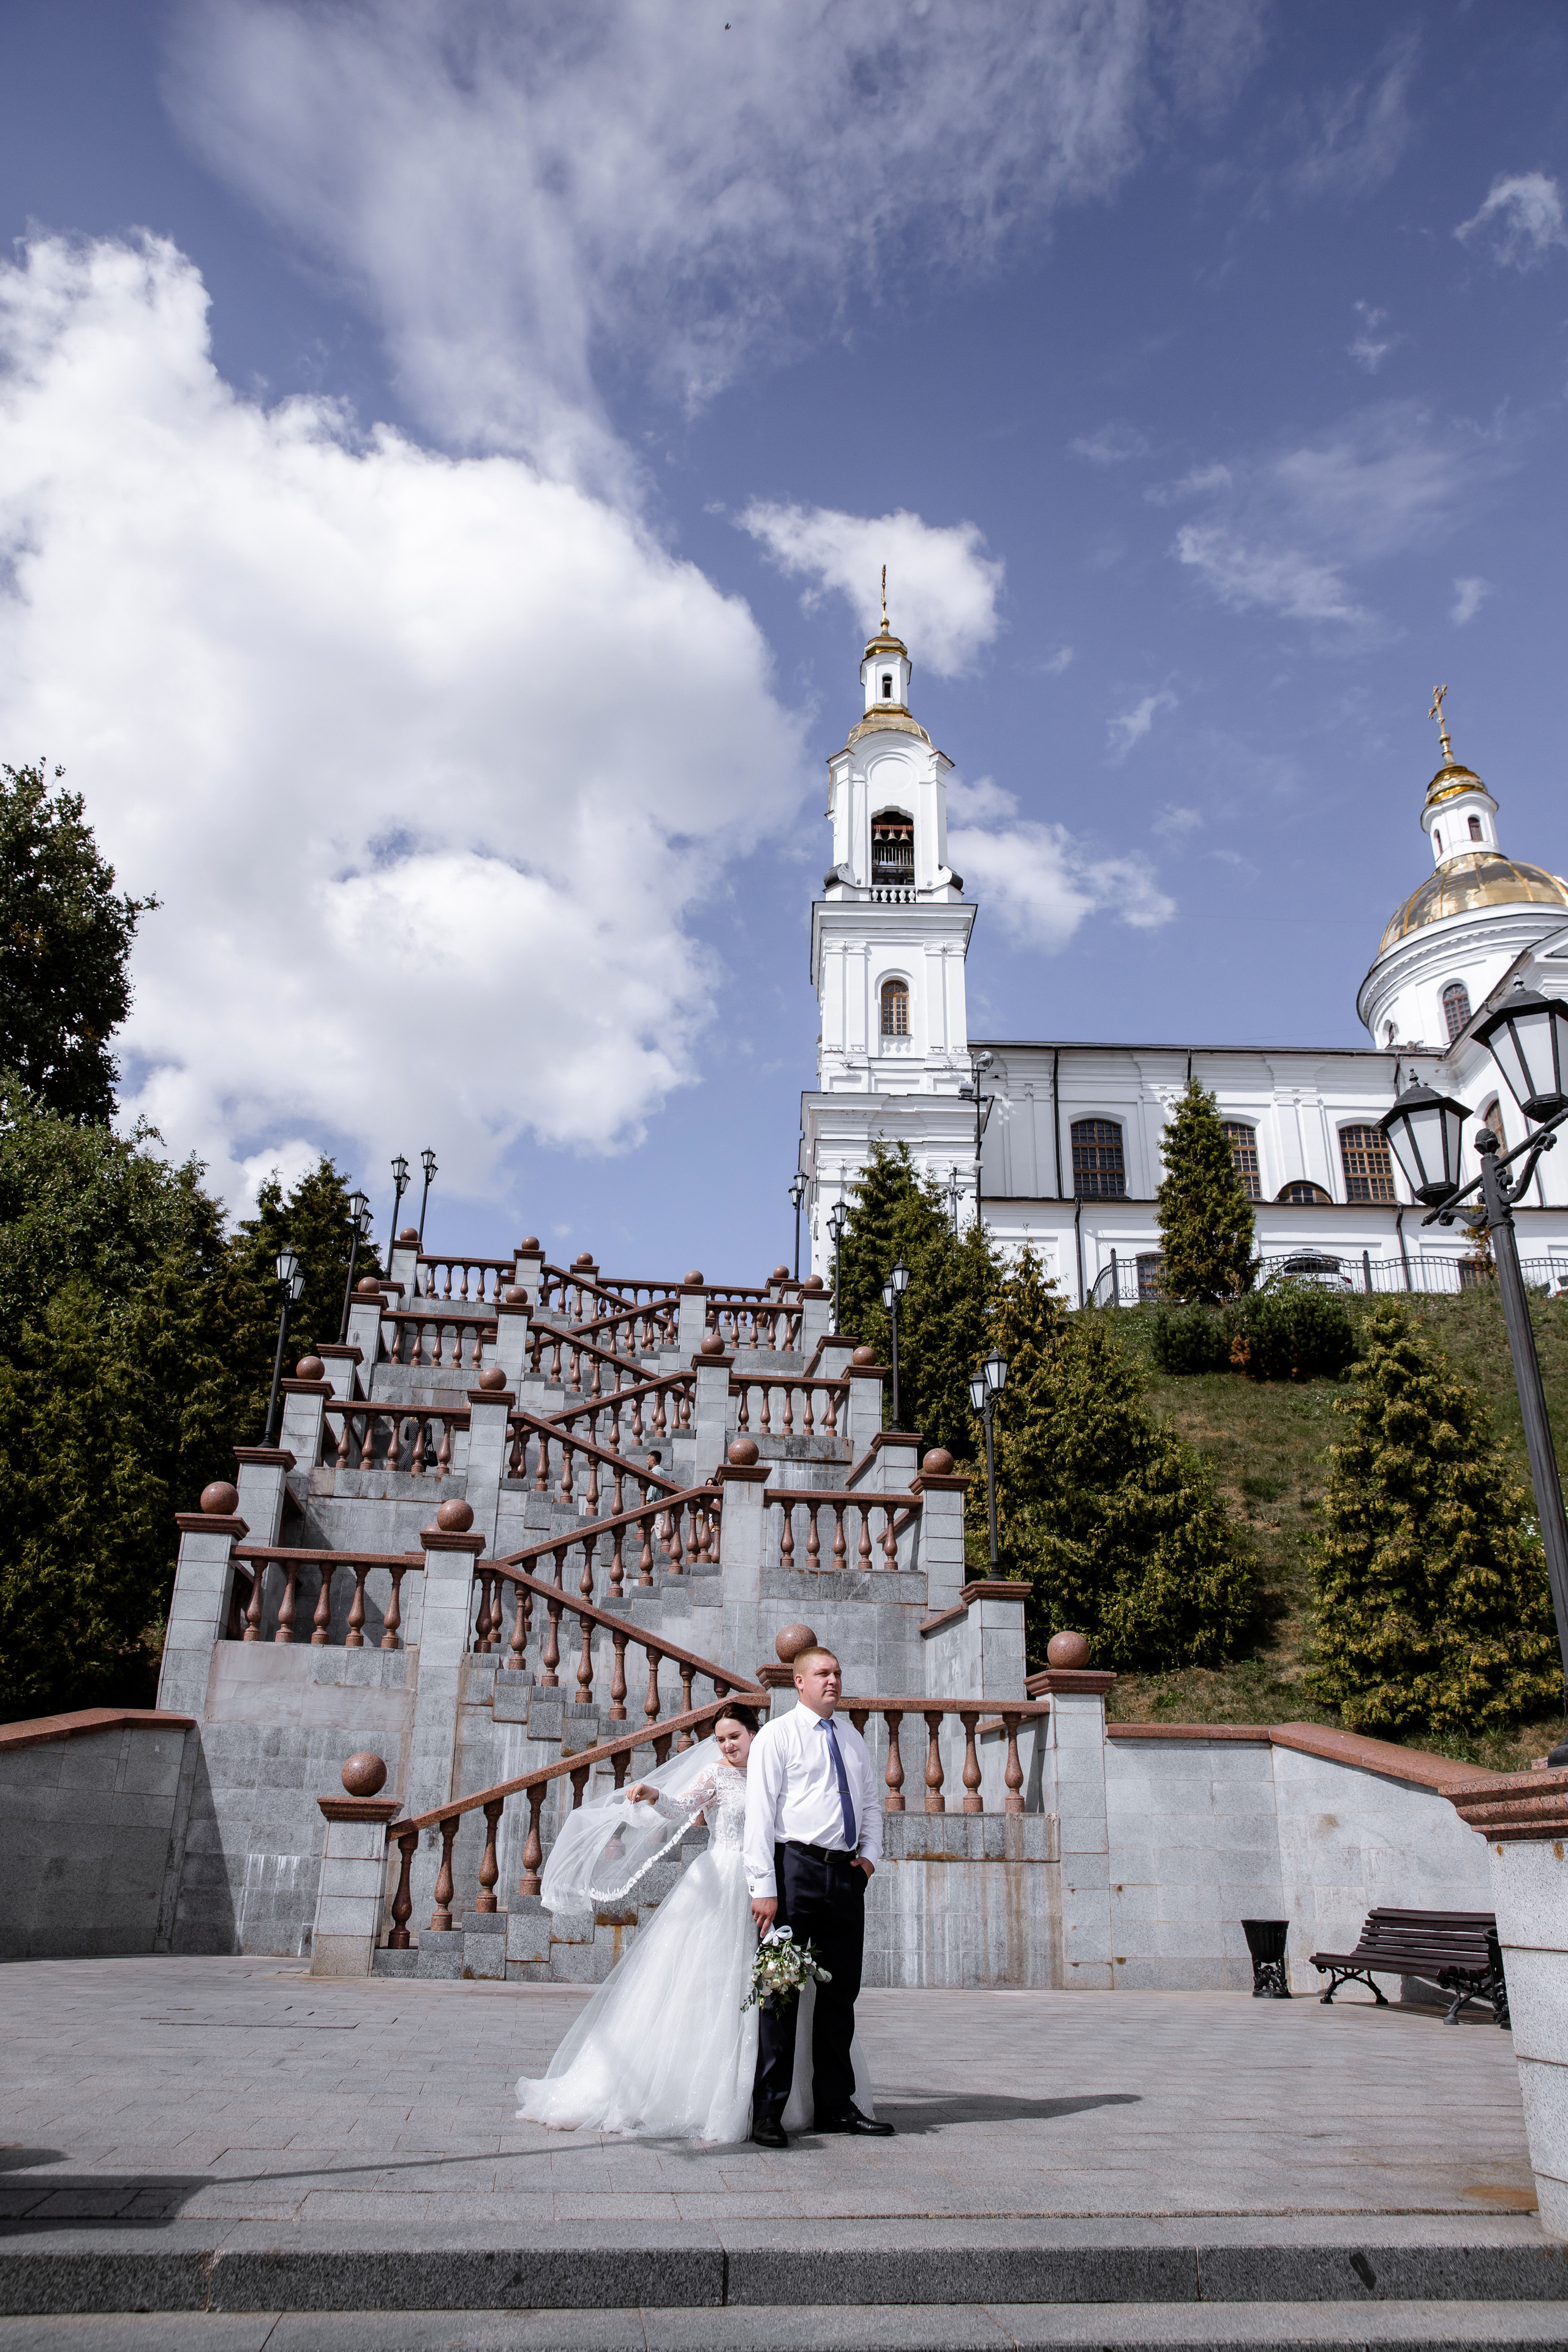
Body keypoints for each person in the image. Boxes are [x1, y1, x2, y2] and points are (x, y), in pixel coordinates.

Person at [514, 1699, 872, 2142]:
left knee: (780, 1987)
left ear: (755, 1734)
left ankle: (797, 2097)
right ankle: (713, 2093)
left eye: (735, 1737)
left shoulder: (775, 1769)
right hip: (726, 1883)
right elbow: (682, 1805)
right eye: (721, 1740)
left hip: (776, 1884)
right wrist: (654, 1795)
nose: (728, 1746)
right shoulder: (717, 1775)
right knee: (716, 1984)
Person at [744, 1645, 895, 2149]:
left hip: (846, 1875)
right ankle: (768, 2112)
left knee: (840, 1994)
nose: (833, 1681)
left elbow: (870, 1804)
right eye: (822, 1673)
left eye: (837, 1673)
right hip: (795, 1871)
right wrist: (764, 1887)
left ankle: (836, 2106)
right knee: (781, 1992)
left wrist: (869, 1858)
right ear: (799, 1682)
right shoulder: (777, 1735)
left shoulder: (851, 1736)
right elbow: (760, 1813)